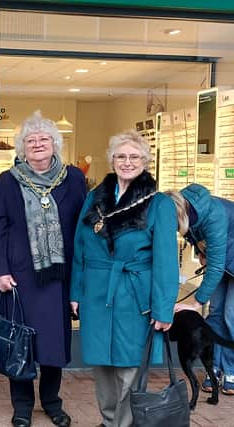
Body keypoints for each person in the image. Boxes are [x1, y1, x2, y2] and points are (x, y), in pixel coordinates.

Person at [70, 129, 179, 427]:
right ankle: (108, 421)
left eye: (134, 157)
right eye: (121, 156)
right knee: (102, 365)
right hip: (96, 291)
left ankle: (123, 424)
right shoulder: (96, 198)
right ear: (112, 160)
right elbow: (80, 246)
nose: (127, 162)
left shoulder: (159, 204)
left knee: (130, 367)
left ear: (145, 160)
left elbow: (167, 262)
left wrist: (163, 307)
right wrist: (76, 292)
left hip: (135, 294)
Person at [0, 111, 87, 427]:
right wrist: (0, 270)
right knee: (21, 343)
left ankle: (52, 402)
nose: (37, 144)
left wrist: (80, 280)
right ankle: (22, 407)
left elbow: (83, 229)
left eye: (44, 139)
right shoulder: (8, 180)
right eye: (30, 140)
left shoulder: (73, 179)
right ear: (22, 148)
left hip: (58, 275)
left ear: (55, 144)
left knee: (53, 344)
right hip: (20, 275)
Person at [167, 183, 234, 395]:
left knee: (231, 316)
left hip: (225, 260)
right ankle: (214, 368)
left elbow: (215, 266)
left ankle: (231, 370)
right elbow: (195, 236)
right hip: (223, 260)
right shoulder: (187, 211)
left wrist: (197, 302)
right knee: (215, 314)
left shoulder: (213, 216)